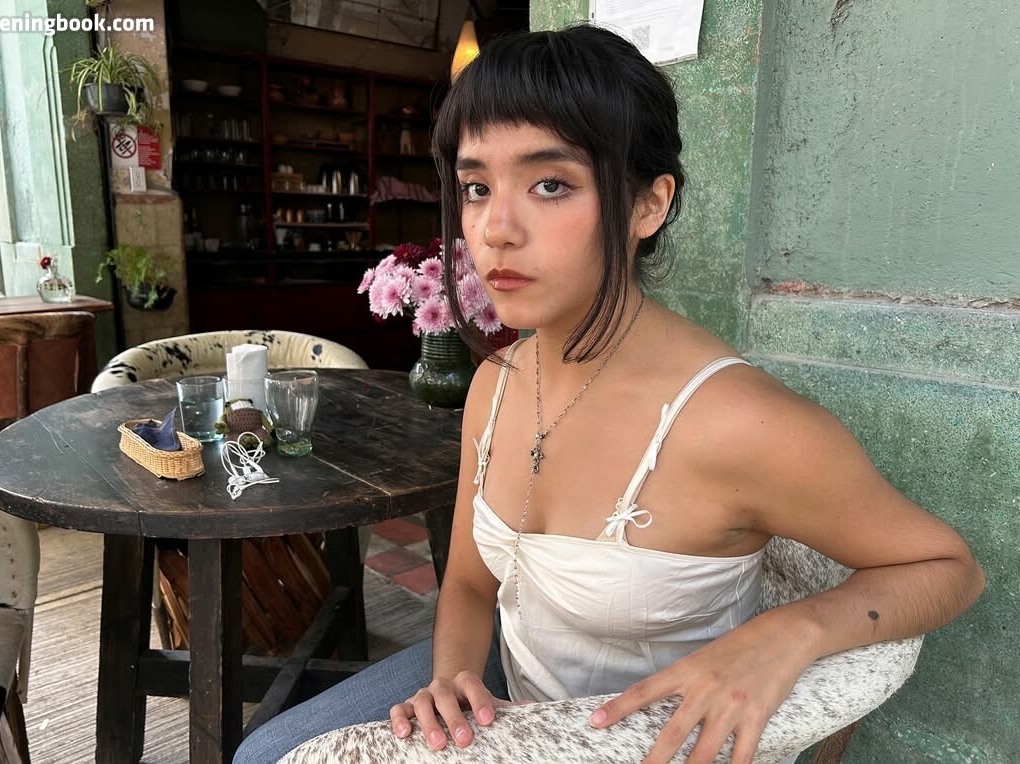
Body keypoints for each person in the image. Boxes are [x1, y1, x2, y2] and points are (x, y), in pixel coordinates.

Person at [234, 24, 984, 764]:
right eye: (476, 187)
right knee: (263, 754)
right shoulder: (495, 384)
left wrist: (791, 631)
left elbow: (948, 568)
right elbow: (467, 581)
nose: (495, 229)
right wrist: (453, 680)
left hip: (650, 743)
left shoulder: (736, 423)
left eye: (550, 184)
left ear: (647, 205)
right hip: (510, 711)